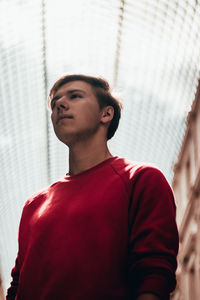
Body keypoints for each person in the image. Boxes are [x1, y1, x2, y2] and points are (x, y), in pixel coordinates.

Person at [7, 74, 179, 300]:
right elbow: (17, 287)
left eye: (75, 96)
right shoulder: (33, 205)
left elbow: (154, 272)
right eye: (55, 102)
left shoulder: (141, 179)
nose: (59, 104)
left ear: (106, 114)